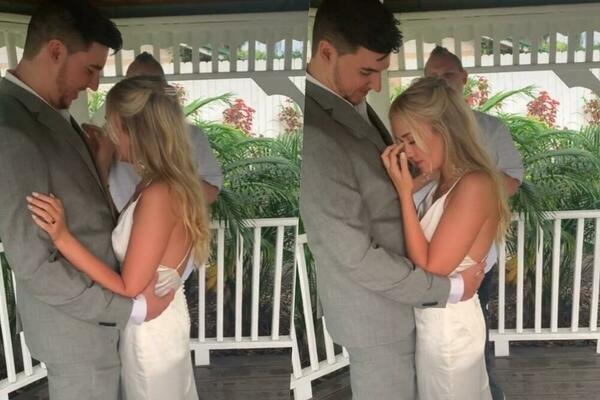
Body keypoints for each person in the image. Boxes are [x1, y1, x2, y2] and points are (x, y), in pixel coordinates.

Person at [299, 0, 485, 398]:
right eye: (367, 71)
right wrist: (448, 290)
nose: (377, 86)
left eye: (381, 71)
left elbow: (375, 197)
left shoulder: (350, 105)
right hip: (377, 316)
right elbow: (353, 255)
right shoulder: (313, 130)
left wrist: (419, 182)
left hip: (409, 304)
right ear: (326, 52)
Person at [0, 2, 172, 399]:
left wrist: (99, 167)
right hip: (78, 334)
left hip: (101, 324)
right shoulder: (11, 127)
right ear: (55, 51)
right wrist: (129, 310)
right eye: (90, 69)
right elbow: (35, 263)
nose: (94, 85)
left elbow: (87, 215)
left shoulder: (52, 113)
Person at [27, 75, 210, 400]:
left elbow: (129, 286)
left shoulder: (158, 193)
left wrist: (63, 237)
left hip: (150, 335)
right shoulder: (158, 183)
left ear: (132, 129)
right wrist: (100, 168)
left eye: (112, 125)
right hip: (161, 323)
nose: (110, 135)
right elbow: (125, 228)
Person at [382, 76, 512, 399]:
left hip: (450, 332)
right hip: (437, 323)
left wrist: (404, 193)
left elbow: (432, 267)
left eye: (411, 140)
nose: (407, 152)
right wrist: (413, 185)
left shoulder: (474, 184)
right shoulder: (443, 181)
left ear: (443, 129)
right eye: (401, 143)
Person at [424, 45, 524, 400]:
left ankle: (486, 391)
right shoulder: (417, 129)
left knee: (470, 333)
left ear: (464, 78)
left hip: (475, 257)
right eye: (432, 76)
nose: (440, 82)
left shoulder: (490, 129)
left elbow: (511, 183)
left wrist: (469, 175)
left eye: (448, 74)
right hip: (423, 249)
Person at [84, 51, 223, 211]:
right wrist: (102, 163)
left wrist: (166, 179)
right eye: (134, 85)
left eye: (148, 87)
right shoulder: (108, 138)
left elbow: (211, 191)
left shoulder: (191, 136)